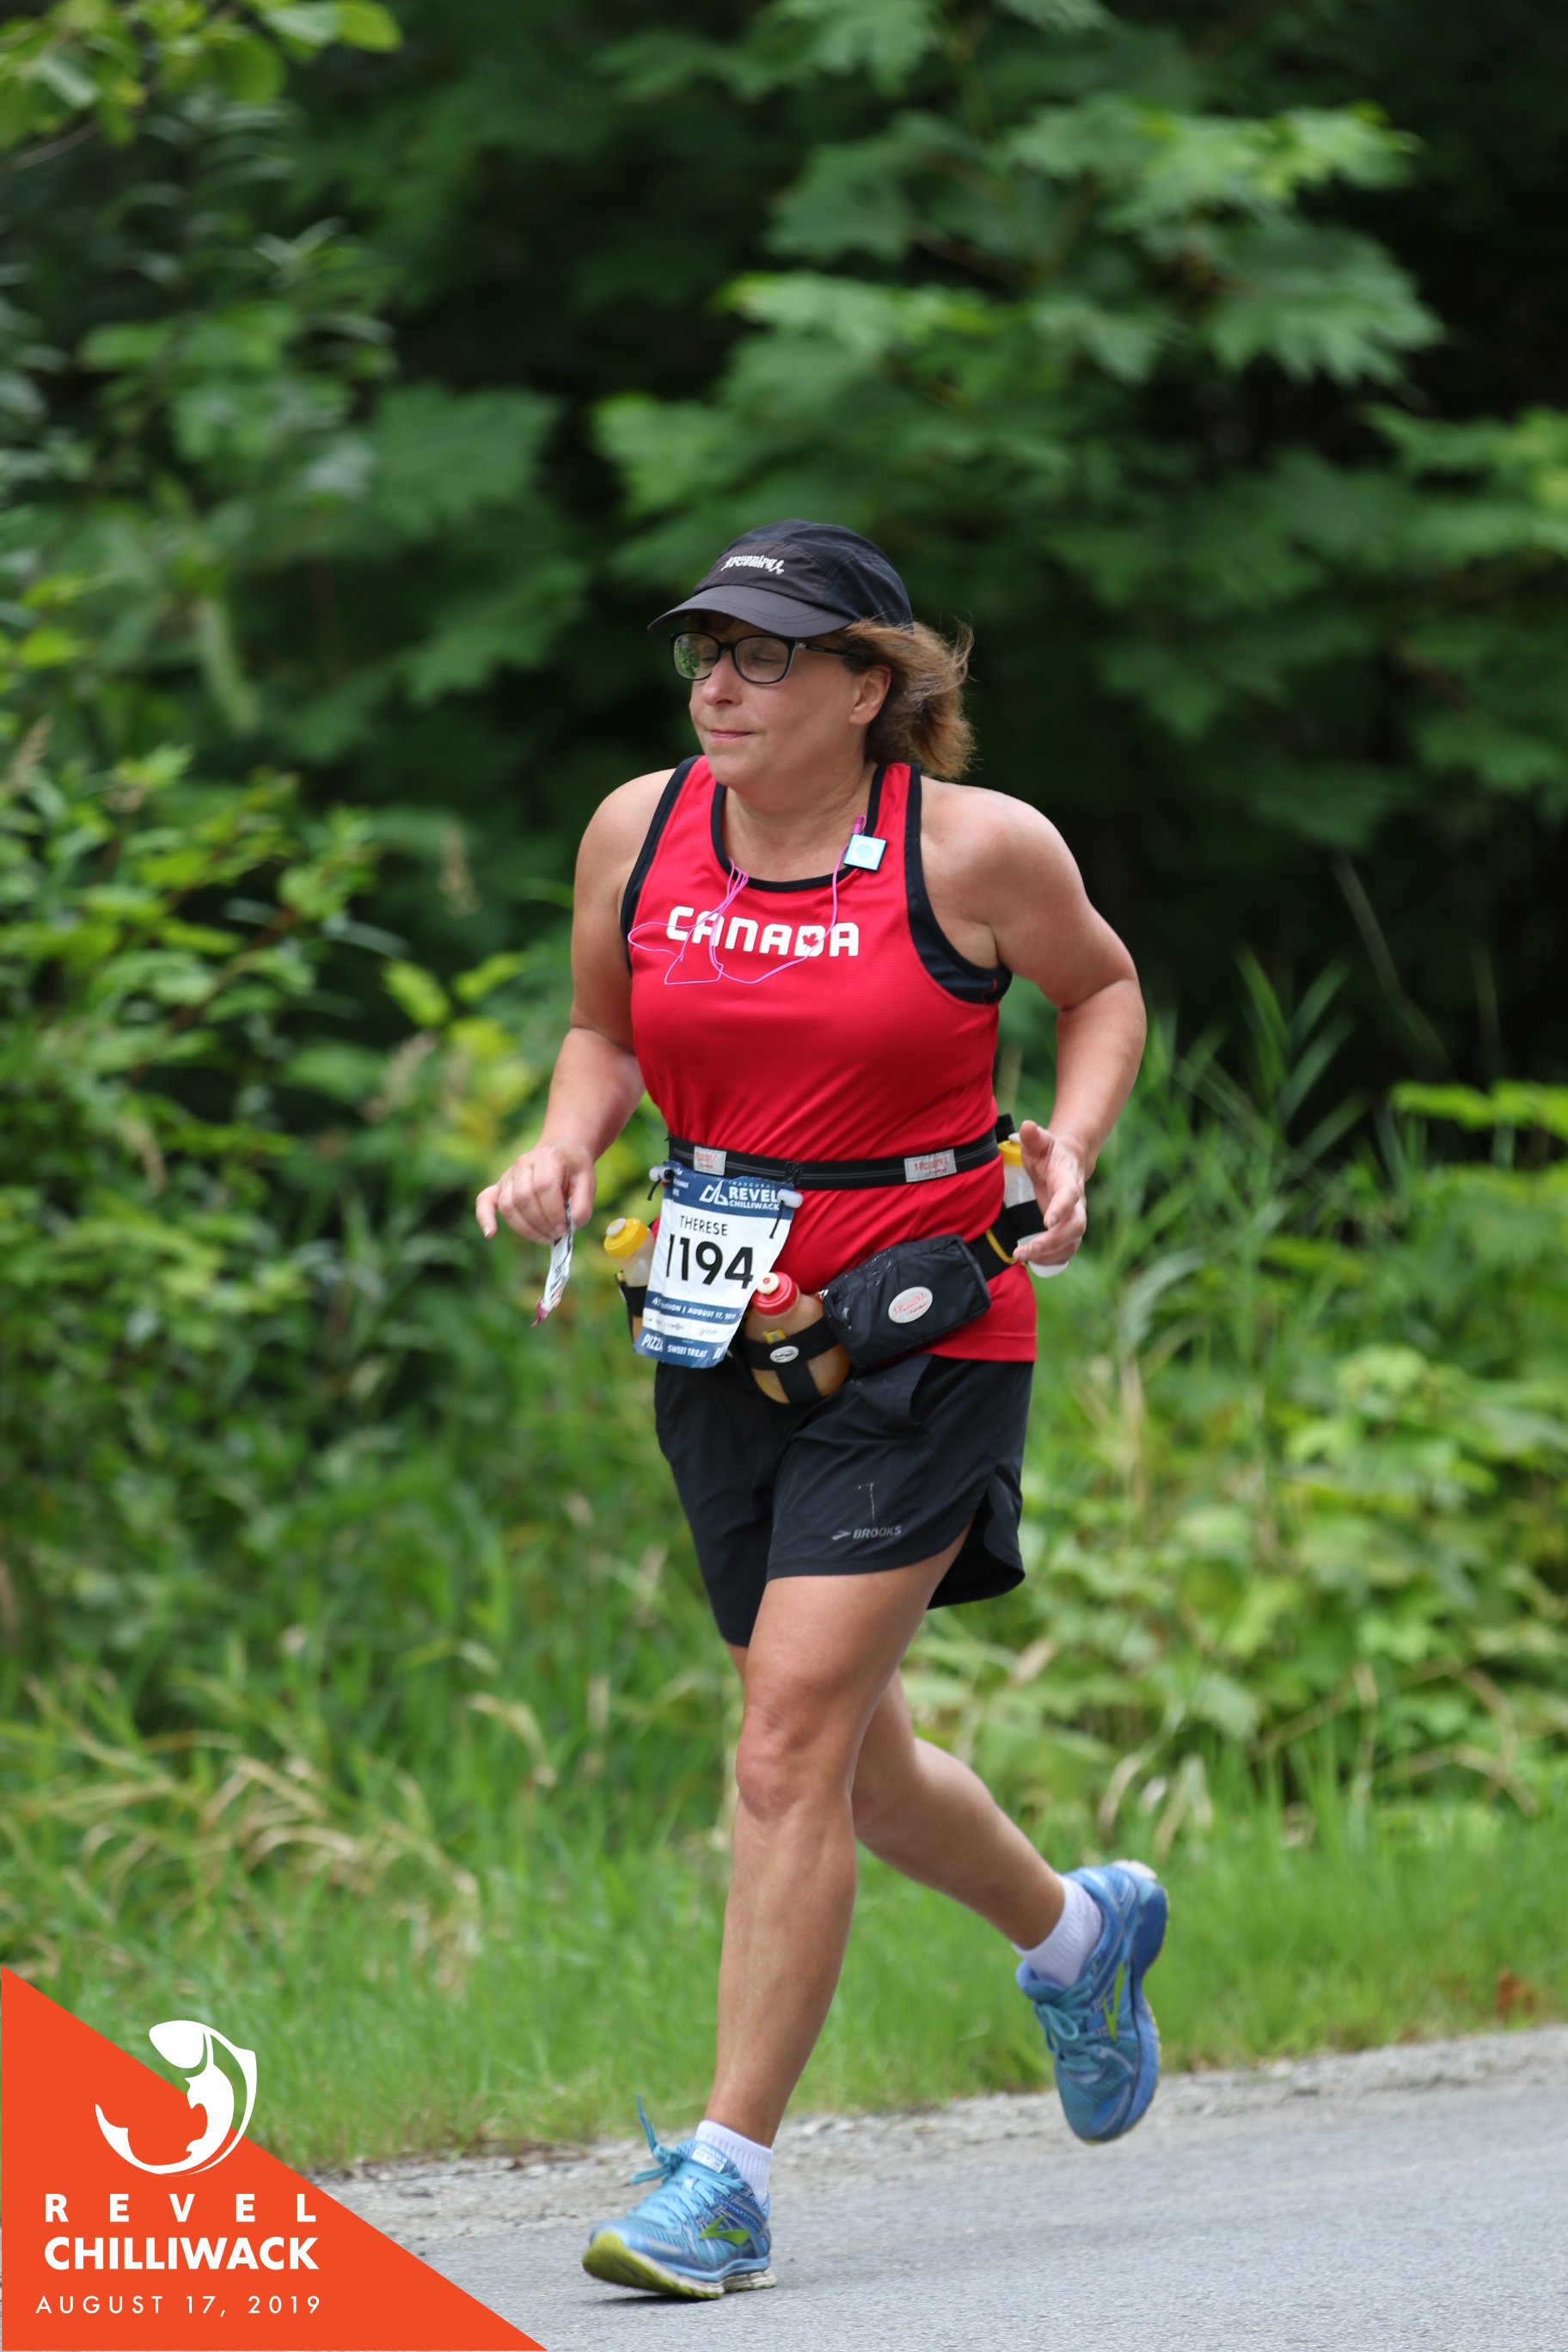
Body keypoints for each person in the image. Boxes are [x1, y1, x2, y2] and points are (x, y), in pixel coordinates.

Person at [475, 520, 1161, 2301]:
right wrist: (563, 1146)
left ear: (871, 685)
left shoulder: (975, 848)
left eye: (768, 653)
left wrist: (1072, 1148)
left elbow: (1100, 988)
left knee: (783, 1742)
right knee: (854, 1763)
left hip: (929, 1322)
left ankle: (724, 2178)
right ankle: (1077, 1937)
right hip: (717, 1314)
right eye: (706, 648)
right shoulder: (638, 831)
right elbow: (603, 1034)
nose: (721, 682)